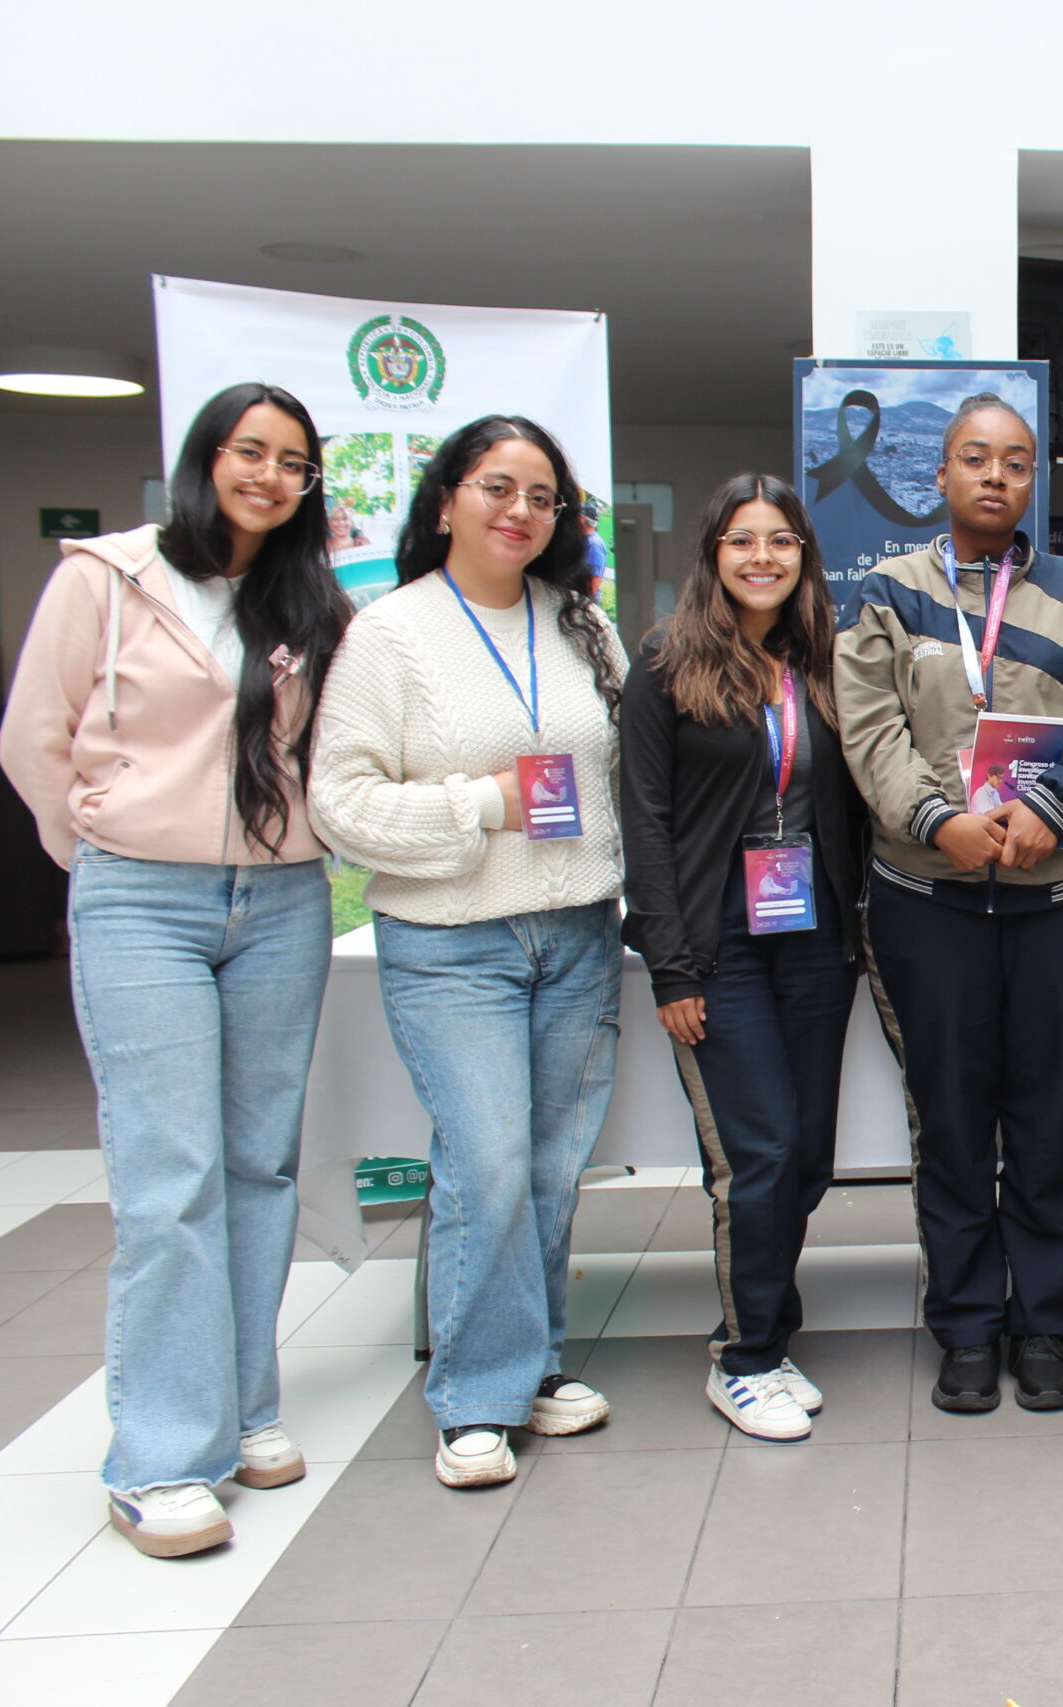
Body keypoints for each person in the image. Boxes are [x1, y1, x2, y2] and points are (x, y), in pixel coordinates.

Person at [0, 382, 351, 1558]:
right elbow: (32, 740)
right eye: (248, 451)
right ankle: (158, 1455)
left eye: (292, 461)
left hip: (283, 897)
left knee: (257, 1165)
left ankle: (243, 1406)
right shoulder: (104, 575)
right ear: (203, 459)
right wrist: (107, 847)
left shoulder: (306, 598)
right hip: (141, 899)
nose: (268, 474)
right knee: (169, 1177)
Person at [308, 415, 629, 1489]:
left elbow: (625, 772)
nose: (520, 511)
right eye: (498, 487)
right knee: (485, 1162)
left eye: (542, 495)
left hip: (579, 928)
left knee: (545, 1168)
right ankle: (475, 1396)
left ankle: (530, 1368)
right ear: (445, 500)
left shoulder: (581, 624)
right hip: (452, 941)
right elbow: (339, 804)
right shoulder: (388, 634)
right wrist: (482, 805)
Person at [834, 395, 1063, 1415]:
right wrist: (936, 820)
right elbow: (867, 729)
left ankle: (1044, 1322)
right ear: (942, 475)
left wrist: (1050, 807)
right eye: (976, 459)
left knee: (1049, 1121)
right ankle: (966, 1324)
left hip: (1059, 896)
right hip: (929, 898)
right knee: (955, 1123)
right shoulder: (885, 590)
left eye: (1015, 462)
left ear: (1031, 480)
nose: (996, 477)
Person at [621, 474, 863, 1443]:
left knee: (805, 1154)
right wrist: (671, 965)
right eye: (740, 540)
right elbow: (645, 818)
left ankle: (773, 1322)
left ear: (803, 555)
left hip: (813, 935)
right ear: (711, 554)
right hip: (716, 941)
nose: (761, 557)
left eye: (780, 541)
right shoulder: (664, 663)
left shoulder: (825, 663)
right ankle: (743, 1355)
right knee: (753, 1153)